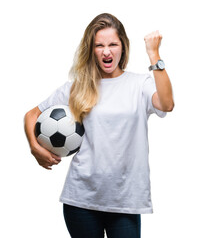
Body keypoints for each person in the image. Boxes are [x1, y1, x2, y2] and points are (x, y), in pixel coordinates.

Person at [24, 13, 174, 238]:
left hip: (124, 202)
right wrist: (35, 148)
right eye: (99, 45)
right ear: (91, 49)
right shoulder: (77, 87)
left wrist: (154, 55)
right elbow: (32, 114)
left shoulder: (139, 84)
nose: (106, 51)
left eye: (113, 44)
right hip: (80, 200)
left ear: (123, 46)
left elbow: (167, 104)